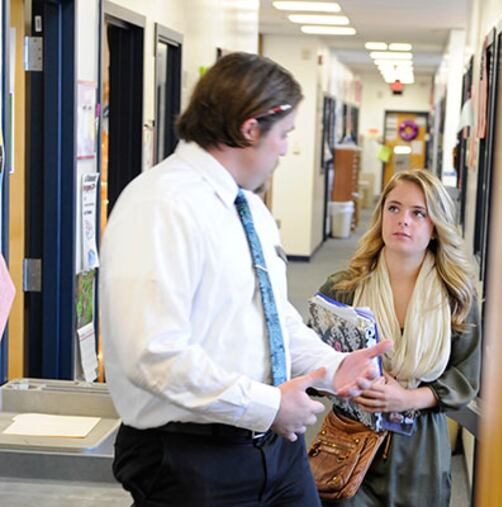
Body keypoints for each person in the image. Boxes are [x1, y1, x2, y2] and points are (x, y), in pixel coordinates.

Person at [100, 52, 391, 507]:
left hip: (276, 448)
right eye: (285, 134)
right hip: (191, 459)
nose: (286, 149)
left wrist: (332, 367)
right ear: (250, 128)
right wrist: (269, 405)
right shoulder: (160, 205)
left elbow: (272, 319)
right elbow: (154, 355)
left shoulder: (249, 208)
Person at [316, 169, 481, 506]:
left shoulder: (456, 297)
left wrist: (408, 399)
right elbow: (312, 367)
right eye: (394, 208)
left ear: (435, 227)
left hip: (420, 449)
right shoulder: (343, 288)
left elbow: (466, 377)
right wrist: (349, 379)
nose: (403, 220)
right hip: (352, 443)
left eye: (418, 213)